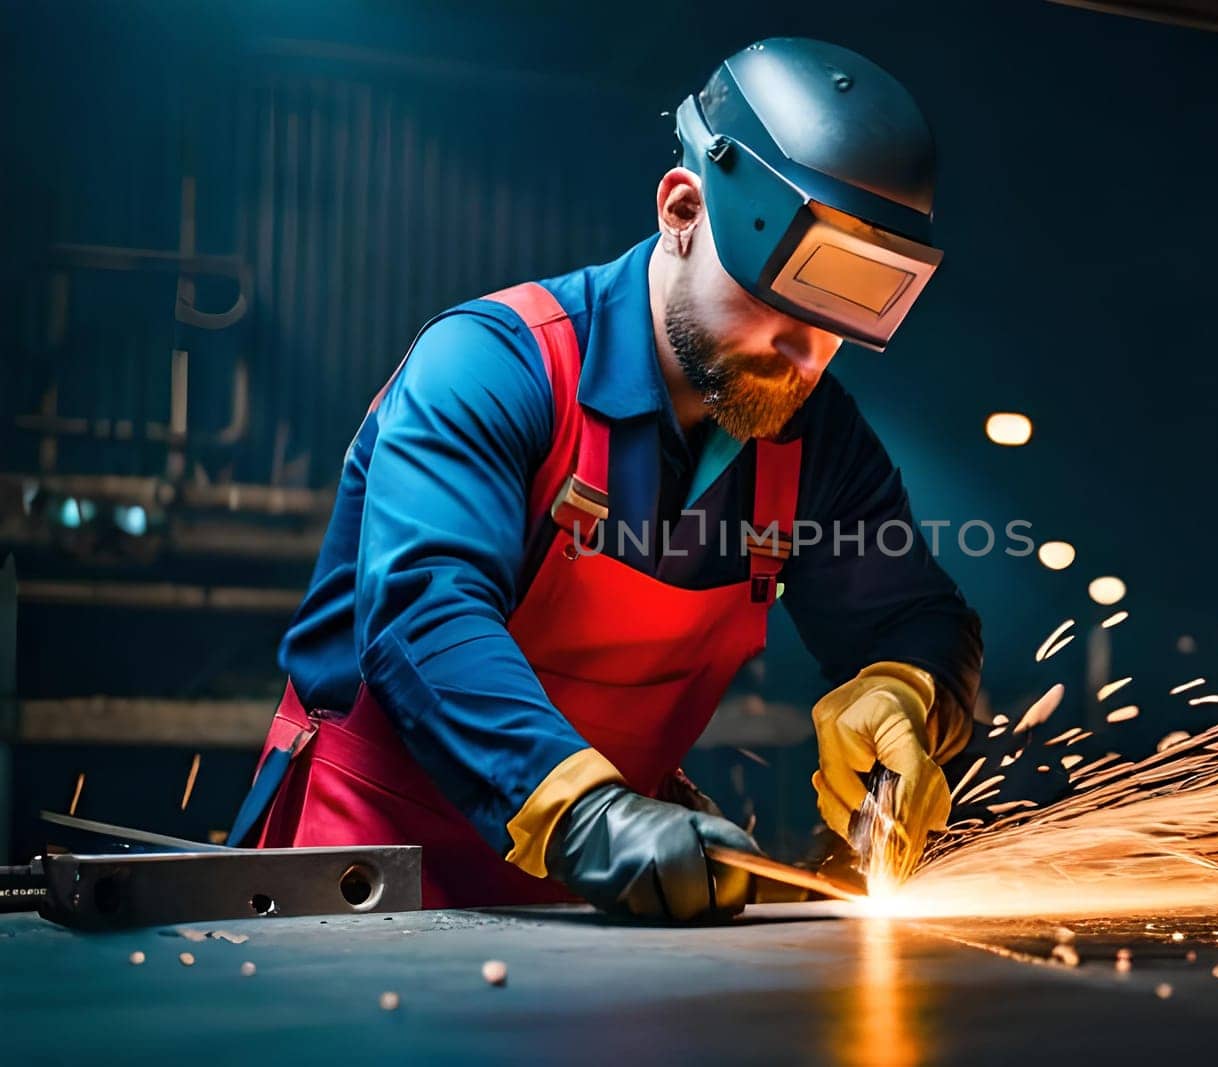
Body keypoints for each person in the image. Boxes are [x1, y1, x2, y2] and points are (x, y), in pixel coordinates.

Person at [230, 37, 982, 921]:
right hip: (357, 886)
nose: (805, 357)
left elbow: (917, 617)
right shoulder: (492, 363)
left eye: (835, 328)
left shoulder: (813, 433)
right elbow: (423, 611)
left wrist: (901, 693)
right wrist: (592, 816)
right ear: (683, 209)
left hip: (599, 913)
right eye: (777, 305)